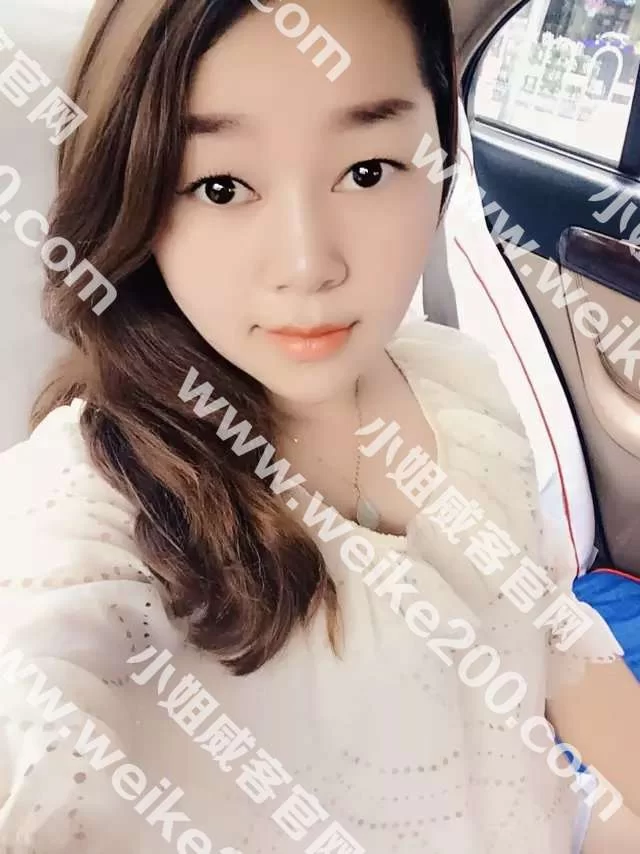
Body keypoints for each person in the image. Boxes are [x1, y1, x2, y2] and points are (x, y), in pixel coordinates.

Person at [0, 0, 638, 852]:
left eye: (368, 170)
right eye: (221, 187)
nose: (309, 265)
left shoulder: (457, 383)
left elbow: (544, 633)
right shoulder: (88, 504)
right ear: (137, 198)